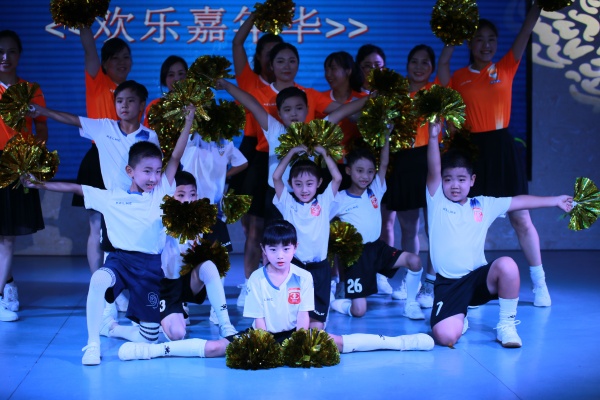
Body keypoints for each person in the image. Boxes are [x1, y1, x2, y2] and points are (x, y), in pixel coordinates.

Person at [22, 105, 195, 365]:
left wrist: (189, 119)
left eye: (157, 171)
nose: (153, 177)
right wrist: (38, 183)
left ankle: (113, 329)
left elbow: (176, 156)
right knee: (99, 279)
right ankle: (93, 344)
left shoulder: (162, 191)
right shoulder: (111, 197)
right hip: (120, 261)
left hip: (149, 269)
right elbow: (75, 188)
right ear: (130, 171)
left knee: (149, 338)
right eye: (147, 171)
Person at [117, 220, 434, 361]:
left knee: (337, 342)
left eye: (286, 248)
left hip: (295, 333)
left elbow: (304, 317)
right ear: (264, 251)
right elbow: (258, 323)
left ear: (294, 248)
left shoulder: (303, 277)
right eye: (273, 249)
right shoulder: (256, 279)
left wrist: (298, 342)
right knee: (215, 348)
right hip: (263, 335)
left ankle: (403, 343)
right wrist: (266, 344)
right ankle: (150, 351)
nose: (280, 255)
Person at [437, 3, 551, 307]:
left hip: (502, 149)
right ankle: (470, 284)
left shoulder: (506, 67)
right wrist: (454, 31)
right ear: (469, 43)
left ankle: (540, 283)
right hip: (471, 151)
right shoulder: (459, 77)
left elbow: (525, 31)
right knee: (470, 221)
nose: (485, 45)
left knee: (521, 218)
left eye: (491, 40)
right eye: (479, 39)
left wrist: (537, 7)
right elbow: (443, 64)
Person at [425, 120, 572, 348]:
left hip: (477, 280)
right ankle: (460, 316)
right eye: (448, 179)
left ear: (472, 181)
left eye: (461, 179)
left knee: (507, 265)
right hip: (449, 286)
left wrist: (555, 201)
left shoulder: (483, 204)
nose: (455, 185)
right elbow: (434, 168)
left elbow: (520, 201)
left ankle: (506, 325)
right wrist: (433, 138)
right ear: (441, 181)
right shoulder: (436, 201)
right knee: (446, 338)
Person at [221, 43, 339, 308]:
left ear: (307, 110)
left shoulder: (314, 130)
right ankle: (255, 287)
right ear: (280, 112)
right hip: (277, 197)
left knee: (304, 246)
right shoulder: (274, 129)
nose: (294, 114)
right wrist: (226, 85)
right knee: (268, 243)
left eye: (299, 109)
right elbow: (250, 103)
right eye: (287, 109)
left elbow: (342, 111)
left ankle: (313, 289)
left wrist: (373, 99)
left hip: (305, 201)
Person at [330, 138, 425, 320]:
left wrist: (387, 136)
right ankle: (338, 304)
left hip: (378, 249)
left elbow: (384, 164)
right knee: (359, 311)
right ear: (348, 170)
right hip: (356, 257)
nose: (365, 176)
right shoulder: (339, 198)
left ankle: (411, 304)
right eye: (359, 171)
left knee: (414, 261)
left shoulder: (375, 190)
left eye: (369, 171)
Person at [381, 44, 445, 309]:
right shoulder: (396, 95)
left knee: (434, 228)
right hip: (404, 161)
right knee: (408, 228)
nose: (419, 67)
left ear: (432, 68)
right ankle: (412, 279)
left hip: (430, 159)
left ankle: (431, 282)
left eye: (425, 63)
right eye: (414, 62)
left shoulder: (437, 92)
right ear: (407, 65)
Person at [230, 13, 284, 309]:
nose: (274, 58)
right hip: (252, 153)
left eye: (279, 53)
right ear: (261, 56)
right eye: (268, 52)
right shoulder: (249, 80)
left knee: (268, 225)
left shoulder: (290, 88)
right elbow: (237, 43)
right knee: (251, 226)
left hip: (278, 156)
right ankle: (249, 283)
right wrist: (258, 12)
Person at [74, 27, 133, 277]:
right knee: (97, 226)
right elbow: (89, 46)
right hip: (98, 160)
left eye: (126, 57)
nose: (121, 62)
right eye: (115, 58)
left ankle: (119, 280)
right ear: (105, 64)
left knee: (121, 225)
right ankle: (98, 283)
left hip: (126, 162)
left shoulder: (134, 92)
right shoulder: (97, 81)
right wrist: (83, 21)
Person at [0, 30, 48, 322]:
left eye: (11, 51)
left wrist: (33, 156)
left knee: (7, 236)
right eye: (0, 51)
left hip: (16, 165)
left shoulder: (31, 89)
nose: (5, 57)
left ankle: (3, 292)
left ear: (19, 54)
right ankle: (8, 284)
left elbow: (41, 127)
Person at [158, 171, 237, 340]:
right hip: (164, 288)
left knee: (209, 266)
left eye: (192, 194)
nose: (187, 200)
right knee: (177, 334)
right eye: (180, 195)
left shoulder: (205, 221)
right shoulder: (159, 220)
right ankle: (160, 316)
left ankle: (225, 324)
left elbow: (218, 263)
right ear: (169, 195)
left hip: (188, 283)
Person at [272, 149, 341, 330]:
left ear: (319, 183)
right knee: (294, 325)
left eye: (309, 184)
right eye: (298, 184)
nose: (304, 189)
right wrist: (292, 152)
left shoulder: (324, 202)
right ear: (291, 184)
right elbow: (276, 177)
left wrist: (324, 153)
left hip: (319, 270)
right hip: (294, 268)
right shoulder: (287, 203)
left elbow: (337, 178)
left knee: (316, 328)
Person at [354, 43, 393, 295]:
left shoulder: (393, 96)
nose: (372, 70)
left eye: (377, 65)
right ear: (359, 68)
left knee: (387, 221)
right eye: (367, 66)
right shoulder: (353, 97)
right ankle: (349, 275)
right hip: (358, 162)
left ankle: (382, 274)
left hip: (387, 160)